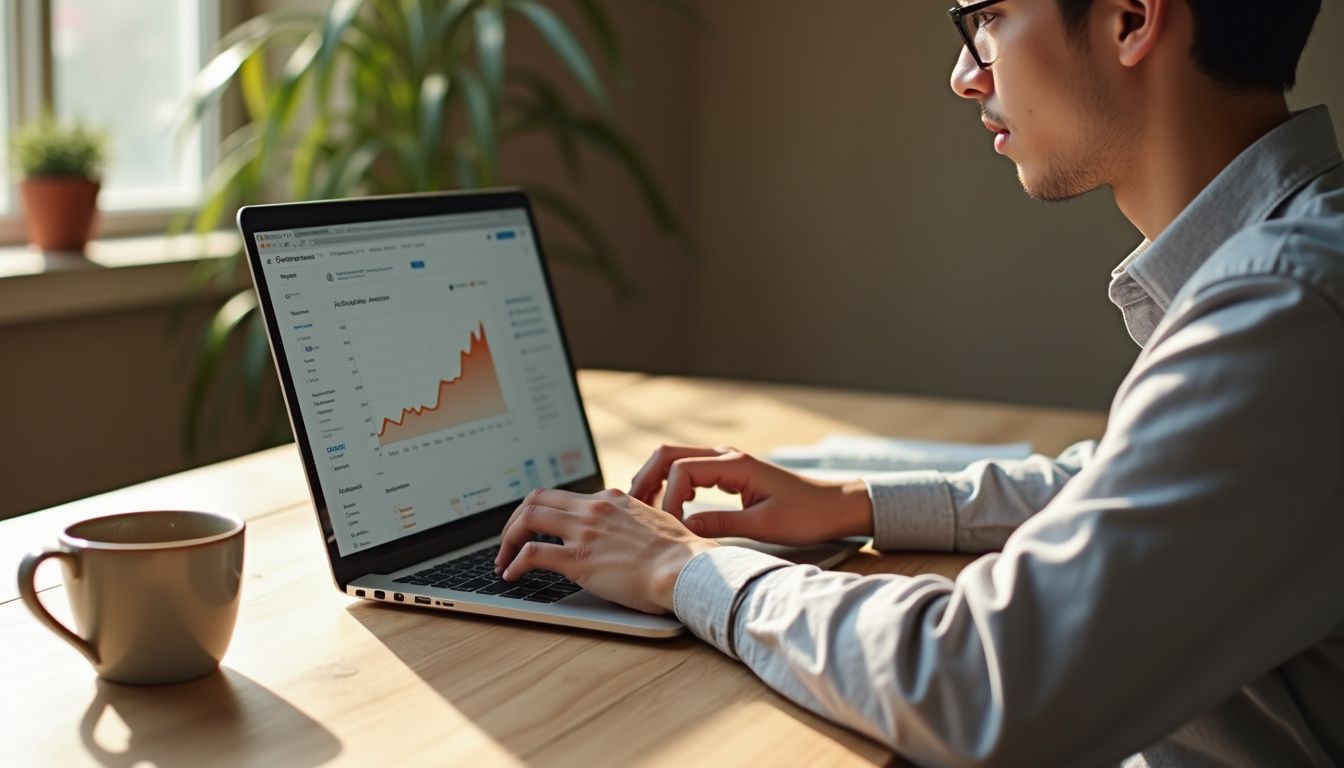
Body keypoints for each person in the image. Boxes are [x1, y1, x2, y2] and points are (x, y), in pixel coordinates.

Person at [494, 0, 1344, 764]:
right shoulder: (1292, 265)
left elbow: (982, 685)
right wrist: (855, 503)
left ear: (1130, 18)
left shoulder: (1286, 309)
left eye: (989, 18)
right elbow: (1122, 479)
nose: (965, 75)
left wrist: (684, 568)